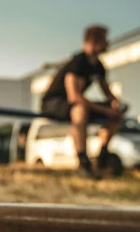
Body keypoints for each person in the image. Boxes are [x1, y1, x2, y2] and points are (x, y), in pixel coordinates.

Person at [41, 25, 127, 178]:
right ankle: (83, 162)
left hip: (76, 102)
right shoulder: (78, 62)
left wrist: (114, 104)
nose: (108, 43)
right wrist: (105, 110)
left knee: (116, 115)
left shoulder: (98, 66)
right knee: (79, 110)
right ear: (94, 41)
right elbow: (74, 97)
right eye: (104, 40)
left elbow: (108, 93)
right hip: (54, 102)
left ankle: (102, 156)